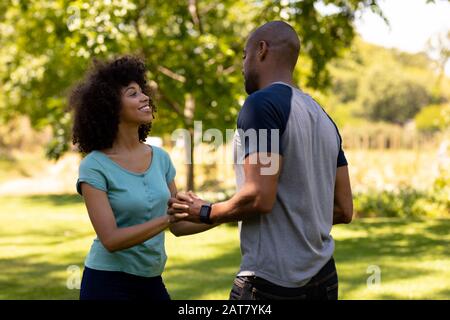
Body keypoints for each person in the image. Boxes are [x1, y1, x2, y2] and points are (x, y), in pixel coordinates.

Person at [169, 21, 353, 300]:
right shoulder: (323, 116)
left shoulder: (261, 105)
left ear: (261, 50)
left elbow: (259, 197)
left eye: (244, 55)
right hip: (324, 279)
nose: (243, 65)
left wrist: (206, 211)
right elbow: (343, 208)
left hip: (272, 283)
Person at [71, 56, 206, 300]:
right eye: (132, 93)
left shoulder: (161, 158)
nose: (145, 97)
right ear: (110, 106)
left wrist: (222, 211)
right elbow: (110, 239)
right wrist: (167, 218)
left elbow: (177, 224)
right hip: (107, 283)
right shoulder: (94, 166)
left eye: (142, 91)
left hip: (151, 280)